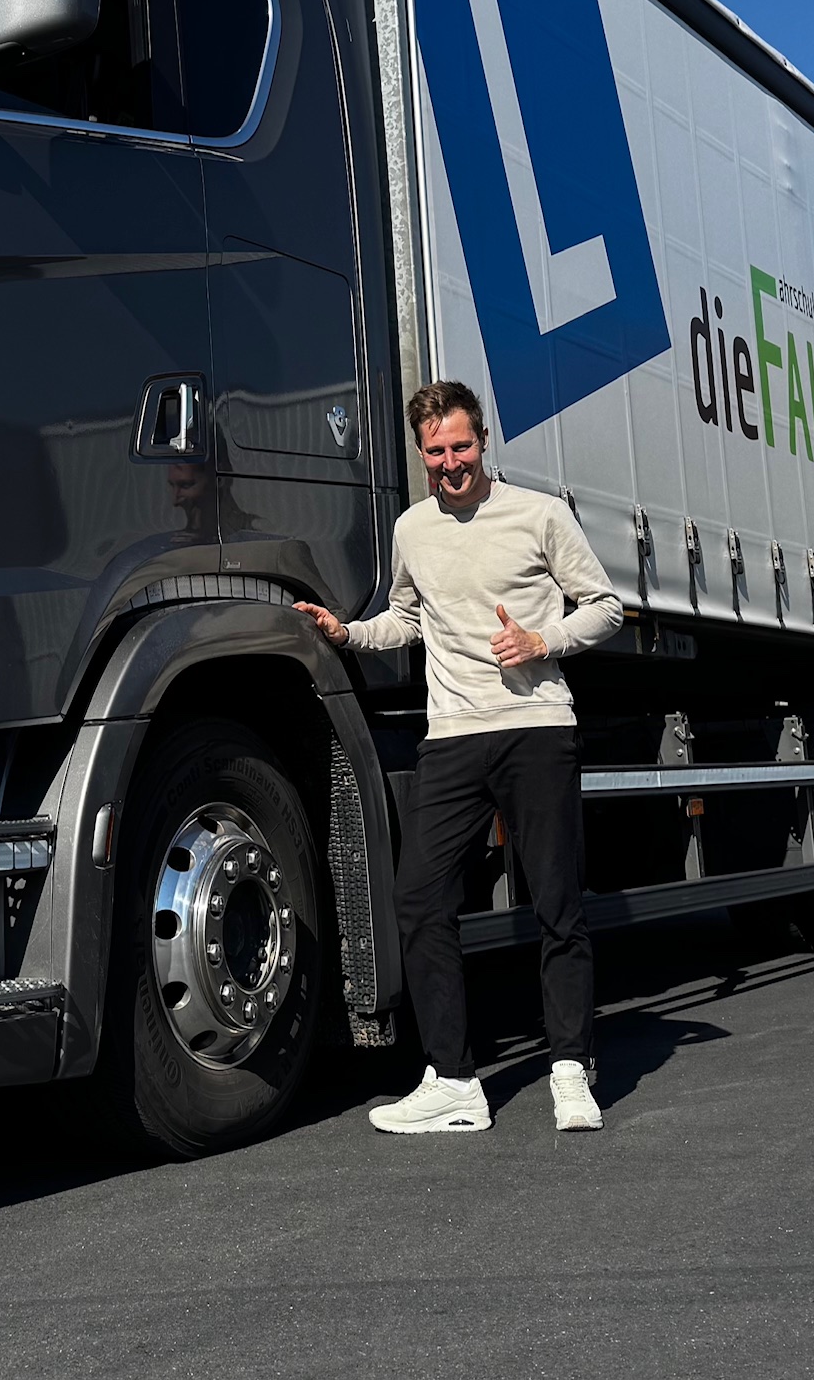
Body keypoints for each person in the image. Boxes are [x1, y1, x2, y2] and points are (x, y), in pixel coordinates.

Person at [296, 380, 623, 1134]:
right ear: (422, 454)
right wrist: (348, 633)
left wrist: (543, 641)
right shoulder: (413, 529)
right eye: (436, 452)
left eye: (462, 447)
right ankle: (452, 1081)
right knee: (418, 900)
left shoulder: (540, 514)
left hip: (535, 727)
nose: (451, 463)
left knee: (556, 904)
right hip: (451, 736)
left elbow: (604, 607)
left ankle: (571, 1068)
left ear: (484, 440)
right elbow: (406, 618)